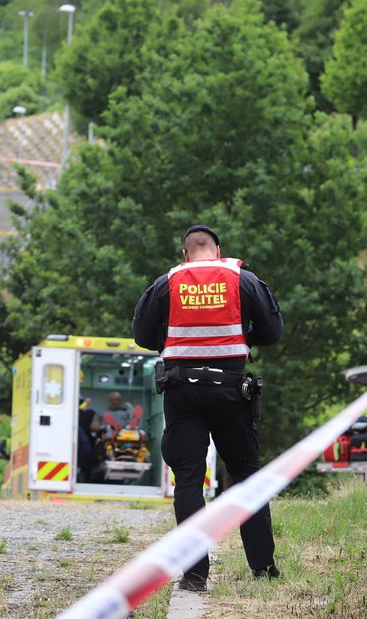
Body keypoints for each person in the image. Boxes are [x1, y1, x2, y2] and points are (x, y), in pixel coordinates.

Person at [132, 224, 283, 592]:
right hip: (232, 391)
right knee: (247, 477)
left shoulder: (166, 282)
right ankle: (263, 570)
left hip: (182, 392)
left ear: (186, 254)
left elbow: (142, 335)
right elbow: (272, 332)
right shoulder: (242, 279)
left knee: (188, 481)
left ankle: (195, 576)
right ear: (218, 250)